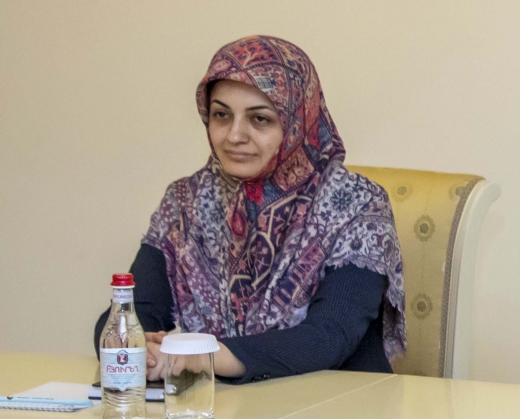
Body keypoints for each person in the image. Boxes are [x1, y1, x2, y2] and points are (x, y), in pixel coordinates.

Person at [95, 36, 406, 383]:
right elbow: (134, 312)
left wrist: (204, 357)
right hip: (226, 407)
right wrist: (136, 349)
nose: (234, 135)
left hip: (336, 404)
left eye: (259, 119)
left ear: (297, 121)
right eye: (221, 115)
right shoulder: (186, 202)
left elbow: (329, 336)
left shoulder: (357, 204)